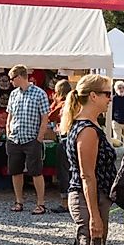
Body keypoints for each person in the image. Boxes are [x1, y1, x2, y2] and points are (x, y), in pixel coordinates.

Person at [61, 74, 116, 245]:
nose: (110, 98)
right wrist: (94, 215)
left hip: (91, 197)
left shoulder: (87, 125)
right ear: (93, 96)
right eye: (106, 94)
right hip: (88, 198)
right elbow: (87, 176)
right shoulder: (87, 130)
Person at [6, 65, 50, 215]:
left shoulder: (40, 93)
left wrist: (39, 138)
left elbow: (45, 118)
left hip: (32, 139)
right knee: (15, 171)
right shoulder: (13, 94)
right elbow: (9, 115)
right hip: (15, 138)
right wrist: (8, 131)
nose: (11, 82)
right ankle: (19, 201)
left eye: (12, 78)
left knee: (36, 172)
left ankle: (41, 203)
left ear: (19, 77)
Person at [48, 79, 72, 214]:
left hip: (64, 140)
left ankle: (65, 203)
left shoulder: (63, 104)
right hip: (74, 140)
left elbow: (50, 116)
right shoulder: (75, 103)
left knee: (63, 173)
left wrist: (55, 101)